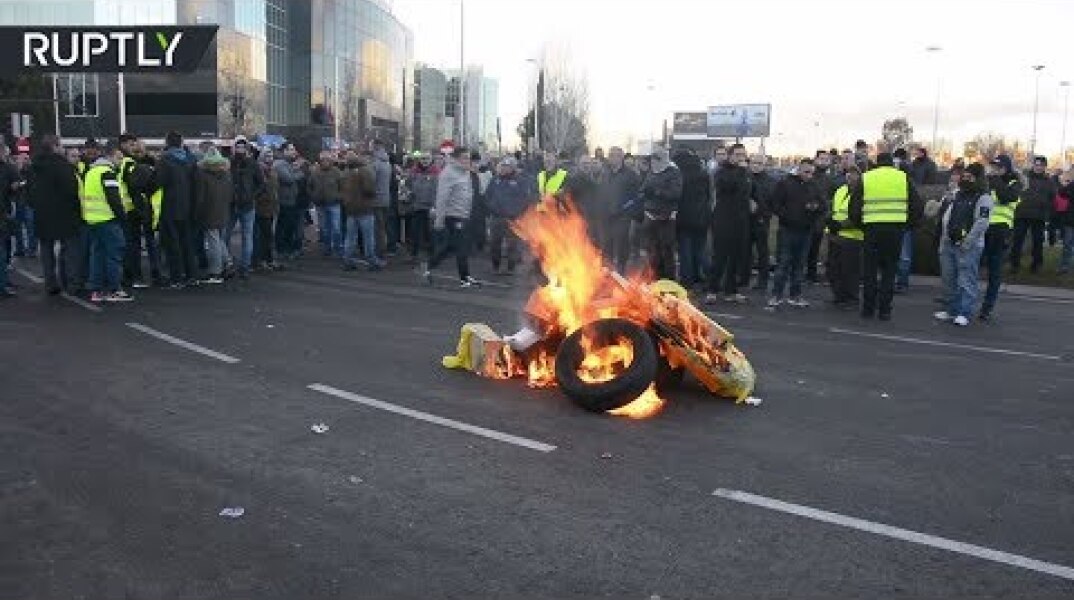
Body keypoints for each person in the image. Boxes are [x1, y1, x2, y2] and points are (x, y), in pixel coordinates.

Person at [850, 152, 922, 320]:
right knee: (889, 271)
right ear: (892, 163)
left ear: (877, 163)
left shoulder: (867, 178)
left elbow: (854, 208)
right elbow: (917, 206)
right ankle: (885, 310)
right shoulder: (903, 177)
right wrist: (906, 225)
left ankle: (868, 309)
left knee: (870, 271)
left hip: (872, 229)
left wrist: (862, 226)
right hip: (895, 230)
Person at [933, 162, 992, 327]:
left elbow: (982, 222)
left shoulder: (984, 198)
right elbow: (947, 217)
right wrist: (944, 241)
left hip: (969, 246)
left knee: (966, 280)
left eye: (970, 177)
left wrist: (967, 243)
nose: (966, 179)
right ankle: (951, 310)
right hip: (949, 243)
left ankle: (964, 312)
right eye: (964, 176)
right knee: (949, 278)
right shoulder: (958, 194)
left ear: (978, 179)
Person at [28, 135, 83, 295]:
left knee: (46, 250)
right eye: (61, 145)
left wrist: (36, 205)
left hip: (42, 214)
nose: (63, 148)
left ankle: (50, 283)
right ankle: (71, 283)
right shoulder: (63, 166)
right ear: (55, 146)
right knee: (70, 249)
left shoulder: (34, 167)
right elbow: (72, 191)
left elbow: (29, 191)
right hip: (64, 214)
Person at [767, 159, 825, 309]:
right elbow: (775, 204)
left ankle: (795, 295)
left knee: (799, 265)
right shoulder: (785, 183)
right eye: (806, 172)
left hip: (806, 230)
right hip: (787, 230)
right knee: (783, 264)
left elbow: (823, 205)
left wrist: (815, 207)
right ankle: (776, 295)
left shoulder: (814, 186)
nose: (809, 175)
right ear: (799, 170)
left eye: (811, 172)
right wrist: (786, 216)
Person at [82, 146, 132, 302]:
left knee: (97, 255)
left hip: (92, 219)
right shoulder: (107, 173)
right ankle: (114, 289)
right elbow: (114, 199)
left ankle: (96, 290)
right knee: (114, 255)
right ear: (110, 157)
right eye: (118, 158)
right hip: (108, 219)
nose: (120, 161)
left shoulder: (91, 172)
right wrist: (123, 217)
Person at [979, 154, 1024, 320]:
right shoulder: (990, 183)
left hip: (1001, 231)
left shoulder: (1015, 184)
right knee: (972, 265)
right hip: (984, 228)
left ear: (1006, 169)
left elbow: (1007, 197)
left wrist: (995, 180)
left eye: (999, 167)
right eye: (994, 167)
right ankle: (963, 302)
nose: (995, 170)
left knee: (994, 270)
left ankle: (987, 307)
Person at [424, 147, 476, 287]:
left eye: (469, 158)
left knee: (451, 246)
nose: (468, 160)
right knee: (461, 246)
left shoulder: (465, 172)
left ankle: (429, 265)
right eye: (465, 157)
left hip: (464, 214)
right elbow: (442, 198)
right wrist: (439, 220)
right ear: (456, 158)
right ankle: (464, 277)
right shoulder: (448, 173)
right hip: (453, 215)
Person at [705, 143, 751, 303]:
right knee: (720, 256)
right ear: (730, 155)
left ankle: (731, 290)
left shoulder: (745, 172)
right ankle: (712, 289)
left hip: (741, 219)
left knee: (736, 257)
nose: (740, 158)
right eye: (737, 154)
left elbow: (747, 192)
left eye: (742, 155)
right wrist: (741, 171)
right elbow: (728, 186)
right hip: (723, 219)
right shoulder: (721, 171)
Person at [156, 131, 199, 289]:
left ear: (167, 142)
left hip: (170, 207)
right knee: (187, 243)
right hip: (188, 207)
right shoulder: (191, 160)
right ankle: (191, 275)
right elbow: (196, 185)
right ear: (181, 143)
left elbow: (158, 182)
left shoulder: (165, 161)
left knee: (172, 244)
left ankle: (176, 277)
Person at [117, 133, 160, 288]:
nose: (133, 147)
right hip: (135, 209)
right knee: (135, 244)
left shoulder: (128, 162)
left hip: (133, 208)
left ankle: (136, 275)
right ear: (123, 145)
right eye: (131, 144)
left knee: (135, 243)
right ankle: (136, 276)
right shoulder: (129, 163)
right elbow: (135, 188)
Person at [639, 146, 683, 281]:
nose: (653, 162)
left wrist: (657, 192)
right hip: (650, 217)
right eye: (652, 159)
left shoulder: (673, 172)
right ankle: (655, 279)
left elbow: (676, 194)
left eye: (656, 159)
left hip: (666, 218)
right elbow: (644, 189)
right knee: (652, 251)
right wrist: (643, 193)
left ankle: (669, 280)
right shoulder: (651, 173)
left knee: (667, 251)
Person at [1009, 155, 1055, 274]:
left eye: (1041, 165)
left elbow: (1052, 198)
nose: (1038, 167)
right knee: (1017, 240)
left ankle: (1036, 264)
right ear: (1033, 165)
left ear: (1045, 166)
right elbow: (1014, 190)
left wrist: (1046, 210)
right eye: (1036, 164)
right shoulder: (1024, 177)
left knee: (1037, 241)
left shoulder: (1049, 181)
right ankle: (1014, 264)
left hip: (1038, 216)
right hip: (1021, 214)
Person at [826, 166, 864, 308]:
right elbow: (833, 209)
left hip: (853, 237)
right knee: (834, 269)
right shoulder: (841, 190)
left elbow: (859, 216)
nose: (850, 176)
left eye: (854, 174)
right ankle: (839, 296)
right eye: (848, 173)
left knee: (850, 271)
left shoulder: (863, 193)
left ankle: (851, 298)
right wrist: (829, 220)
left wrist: (841, 225)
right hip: (835, 235)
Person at [485, 156, 530, 274]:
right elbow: (487, 196)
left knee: (512, 245)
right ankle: (496, 266)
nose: (504, 169)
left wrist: (516, 212)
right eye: (503, 166)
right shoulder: (494, 180)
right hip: (496, 218)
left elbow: (525, 199)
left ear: (513, 168)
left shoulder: (520, 181)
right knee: (494, 243)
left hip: (512, 219)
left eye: (507, 166)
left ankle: (511, 268)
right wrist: (492, 208)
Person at [195, 147, 233, 284]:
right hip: (223, 210)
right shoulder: (227, 174)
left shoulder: (203, 175)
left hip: (208, 211)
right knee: (218, 239)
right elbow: (230, 194)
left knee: (213, 241)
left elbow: (200, 197)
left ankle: (215, 272)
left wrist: (197, 212)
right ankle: (228, 263)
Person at [674, 149, 711, 289]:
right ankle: (706, 276)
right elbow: (708, 196)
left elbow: (678, 197)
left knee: (685, 252)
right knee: (700, 250)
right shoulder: (703, 173)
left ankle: (687, 280)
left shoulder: (679, 175)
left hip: (684, 219)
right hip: (702, 218)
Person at [228, 137, 264, 279]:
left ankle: (245, 266)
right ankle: (229, 263)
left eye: (242, 147)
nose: (240, 149)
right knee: (226, 235)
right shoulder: (230, 163)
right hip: (232, 204)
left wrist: (252, 195)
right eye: (238, 147)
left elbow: (261, 184)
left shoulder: (252, 164)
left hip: (247, 205)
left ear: (246, 149)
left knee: (246, 237)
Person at [601, 146, 641, 273]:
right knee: (607, 245)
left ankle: (621, 272)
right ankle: (608, 273)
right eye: (610, 155)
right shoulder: (606, 174)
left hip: (623, 216)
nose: (610, 158)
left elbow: (636, 197)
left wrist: (624, 209)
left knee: (622, 245)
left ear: (620, 158)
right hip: (607, 216)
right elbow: (603, 193)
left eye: (613, 155)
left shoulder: (630, 175)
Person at [341, 150, 383, 271]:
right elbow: (369, 189)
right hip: (365, 208)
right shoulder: (366, 170)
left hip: (350, 209)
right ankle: (371, 260)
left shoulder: (346, 172)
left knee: (350, 237)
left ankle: (348, 260)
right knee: (368, 237)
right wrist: (373, 194)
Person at [741, 154, 774, 290]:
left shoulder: (770, 181)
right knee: (745, 251)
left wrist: (759, 208)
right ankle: (744, 278)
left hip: (761, 220)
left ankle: (763, 281)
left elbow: (771, 202)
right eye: (753, 162)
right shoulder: (744, 177)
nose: (756, 165)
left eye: (759, 163)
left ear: (764, 165)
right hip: (745, 219)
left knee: (762, 252)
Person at [807, 150, 836, 284]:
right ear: (815, 160)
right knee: (803, 247)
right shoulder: (809, 176)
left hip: (820, 220)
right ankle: (800, 273)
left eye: (826, 160)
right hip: (805, 218)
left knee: (814, 248)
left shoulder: (829, 180)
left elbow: (831, 199)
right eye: (821, 159)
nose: (824, 162)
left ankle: (811, 275)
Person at [273, 142, 306, 260]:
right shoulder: (279, 164)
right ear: (284, 151)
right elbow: (289, 179)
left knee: (290, 226)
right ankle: (281, 250)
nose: (294, 152)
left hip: (292, 201)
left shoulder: (288, 164)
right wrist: (297, 171)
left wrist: (295, 170)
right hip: (284, 201)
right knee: (284, 227)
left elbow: (298, 174)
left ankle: (287, 249)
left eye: (294, 149)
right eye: (291, 149)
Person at [308, 150, 344, 257]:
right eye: (323, 159)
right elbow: (309, 186)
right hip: (320, 204)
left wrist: (339, 197)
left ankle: (338, 248)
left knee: (336, 227)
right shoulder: (315, 172)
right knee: (324, 228)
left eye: (327, 159)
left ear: (331, 160)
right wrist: (313, 196)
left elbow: (343, 186)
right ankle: (327, 248)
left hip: (334, 204)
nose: (325, 161)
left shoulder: (337, 172)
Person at [407, 152, 438, 261]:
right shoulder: (414, 172)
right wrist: (410, 199)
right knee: (415, 232)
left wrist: (434, 206)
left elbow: (437, 191)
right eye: (423, 159)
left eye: (427, 159)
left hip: (430, 207)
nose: (425, 161)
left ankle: (433, 254)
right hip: (417, 206)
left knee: (429, 232)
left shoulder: (436, 172)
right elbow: (408, 186)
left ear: (431, 160)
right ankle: (413, 254)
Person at [254, 149, 280, 271]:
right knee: (263, 236)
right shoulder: (259, 170)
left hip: (272, 207)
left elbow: (275, 189)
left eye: (271, 156)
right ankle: (262, 260)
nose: (270, 158)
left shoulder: (273, 171)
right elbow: (258, 189)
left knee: (269, 236)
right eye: (267, 156)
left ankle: (269, 259)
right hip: (262, 207)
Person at [370, 140, 392, 259]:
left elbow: (371, 182)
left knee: (377, 227)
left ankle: (379, 251)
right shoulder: (387, 163)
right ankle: (383, 249)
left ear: (375, 147)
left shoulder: (375, 163)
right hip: (385, 198)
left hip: (376, 199)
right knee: (383, 226)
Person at [10, 152, 34, 258]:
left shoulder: (31, 171)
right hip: (18, 202)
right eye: (22, 159)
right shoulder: (15, 170)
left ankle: (31, 249)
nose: (25, 160)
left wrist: (21, 183)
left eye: (26, 158)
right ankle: (20, 249)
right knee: (18, 228)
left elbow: (30, 183)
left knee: (30, 228)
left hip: (29, 203)